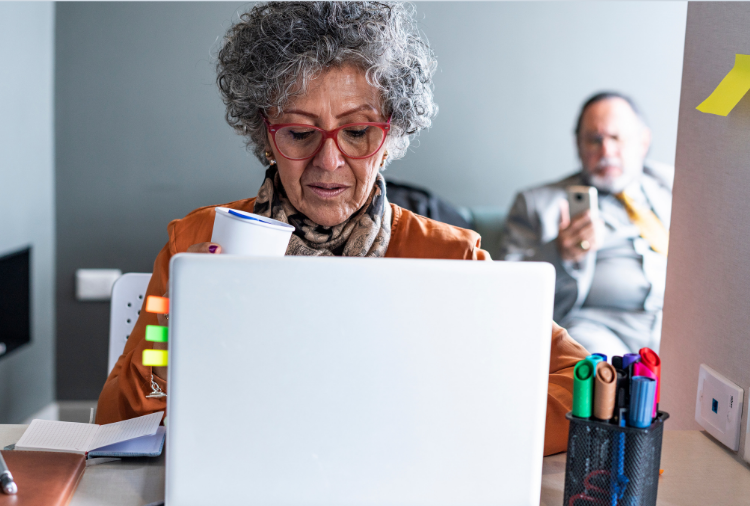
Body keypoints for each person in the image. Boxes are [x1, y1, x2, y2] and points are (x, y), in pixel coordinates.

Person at [97, 1, 587, 456]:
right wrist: (181, 323)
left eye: (356, 132)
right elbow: (121, 424)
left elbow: (578, 382)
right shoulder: (196, 243)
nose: (328, 161)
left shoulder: (448, 257)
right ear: (265, 135)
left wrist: (448, 432)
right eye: (300, 133)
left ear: (390, 136)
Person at [500, 92, 672, 356]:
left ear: (643, 142)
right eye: (594, 140)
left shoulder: (674, 185)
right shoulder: (536, 203)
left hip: (676, 323)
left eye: (616, 138)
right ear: (578, 146)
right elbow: (505, 289)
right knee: (596, 367)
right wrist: (559, 253)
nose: (606, 151)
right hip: (598, 329)